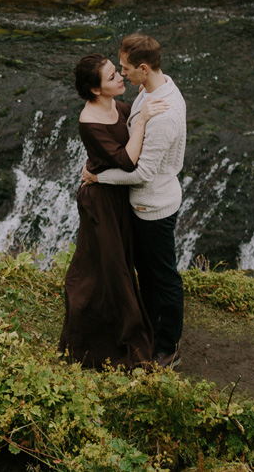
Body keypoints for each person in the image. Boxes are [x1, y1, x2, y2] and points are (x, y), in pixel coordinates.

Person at [82, 33, 187, 368]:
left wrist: (99, 177)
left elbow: (141, 174)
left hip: (154, 207)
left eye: (126, 69)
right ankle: (153, 329)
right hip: (142, 204)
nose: (122, 74)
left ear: (143, 68)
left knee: (163, 277)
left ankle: (168, 346)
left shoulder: (164, 114)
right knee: (149, 273)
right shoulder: (152, 87)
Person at [58, 52, 165, 369]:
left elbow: (131, 148)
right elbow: (128, 160)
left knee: (114, 267)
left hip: (116, 195)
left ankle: (117, 331)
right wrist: (144, 119)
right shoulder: (89, 121)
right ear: (95, 89)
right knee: (110, 270)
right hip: (99, 203)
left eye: (117, 72)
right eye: (111, 76)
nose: (120, 77)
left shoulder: (118, 107)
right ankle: (117, 343)